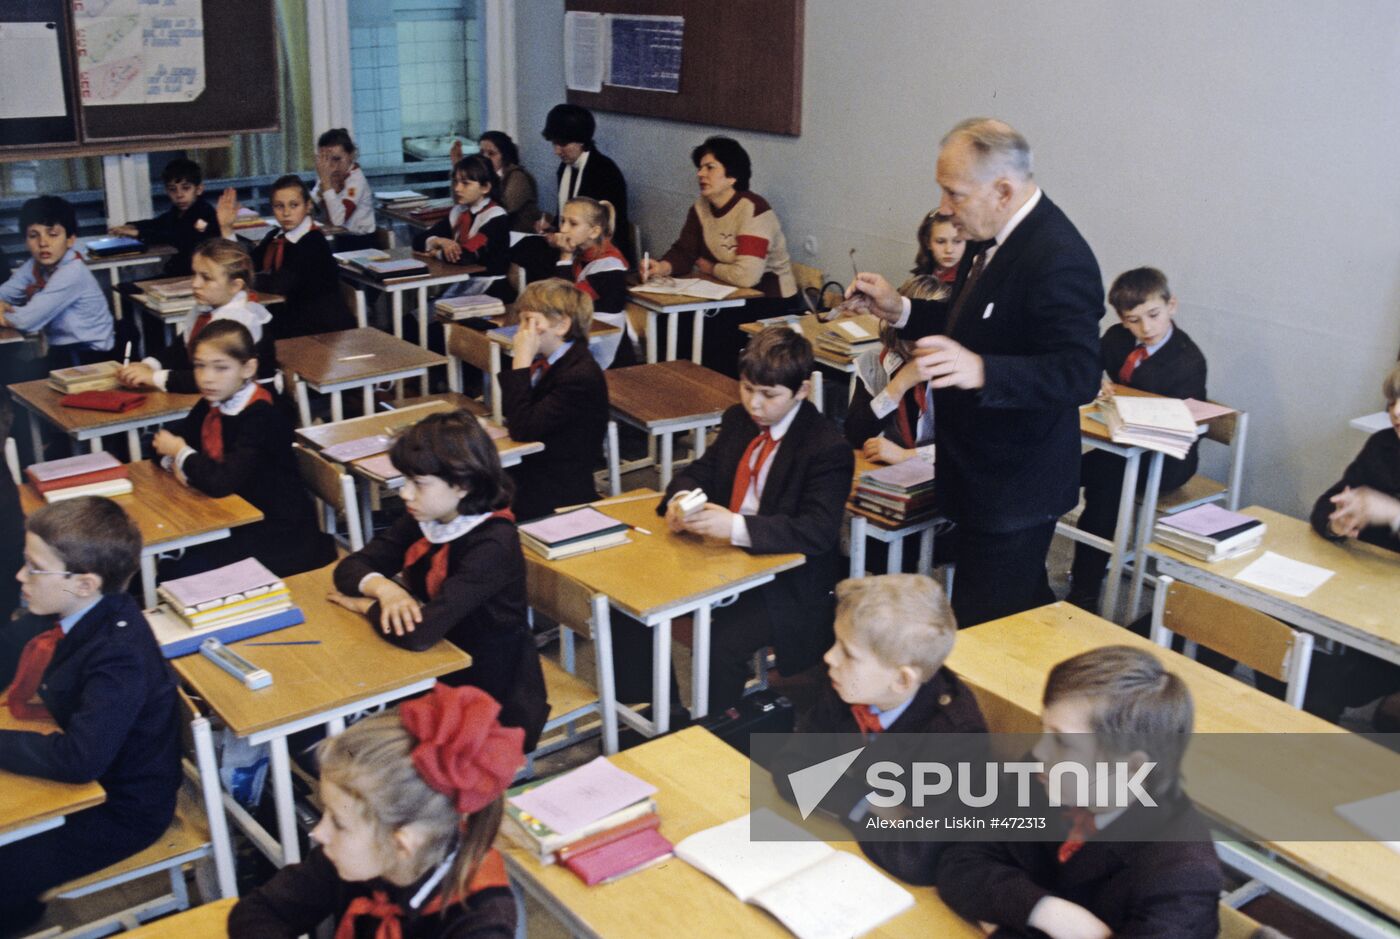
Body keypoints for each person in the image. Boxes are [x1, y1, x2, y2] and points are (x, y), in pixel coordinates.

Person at [845, 118, 1102, 628]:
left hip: (1015, 484)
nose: (944, 207)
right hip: (975, 472)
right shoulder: (992, 236)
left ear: (1002, 190)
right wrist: (900, 309)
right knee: (1014, 613)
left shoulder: (1058, 256)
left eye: (954, 193)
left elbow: (1078, 374)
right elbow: (968, 321)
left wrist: (982, 370)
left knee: (985, 631)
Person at [611, 327, 853, 712]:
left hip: (786, 583)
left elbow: (817, 531)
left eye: (769, 395)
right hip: (724, 560)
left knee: (718, 644)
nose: (754, 404)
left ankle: (716, 727)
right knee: (627, 597)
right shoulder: (739, 419)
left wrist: (736, 528)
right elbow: (701, 472)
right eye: (747, 388)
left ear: (802, 390)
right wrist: (683, 500)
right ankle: (656, 712)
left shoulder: (826, 447)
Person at [936, 645, 1223, 938]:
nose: (1040, 751)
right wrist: (1044, 910)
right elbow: (960, 861)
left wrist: (1002, 926)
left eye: (1063, 742)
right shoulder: (1043, 775)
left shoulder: (1182, 877)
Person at [0, 498, 180, 933]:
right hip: (94, 781)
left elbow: (80, 760)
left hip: (121, 809)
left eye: (35, 568)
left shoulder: (119, 657)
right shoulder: (77, 610)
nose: (21, 576)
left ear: (84, 584)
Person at [228, 684, 523, 938]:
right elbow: (259, 911)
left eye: (338, 822)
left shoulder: (480, 923)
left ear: (401, 844)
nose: (319, 832)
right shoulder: (353, 851)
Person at [330, 412, 548, 750]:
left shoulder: (493, 544)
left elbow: (419, 633)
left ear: (463, 485)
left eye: (418, 484)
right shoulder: (428, 517)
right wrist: (385, 589)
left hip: (489, 691)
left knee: (370, 743)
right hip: (437, 662)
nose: (405, 494)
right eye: (405, 480)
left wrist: (365, 605)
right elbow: (350, 568)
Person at [769, 574, 986, 881]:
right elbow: (790, 769)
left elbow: (915, 857)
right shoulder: (850, 684)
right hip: (850, 855)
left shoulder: (955, 737)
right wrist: (868, 803)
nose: (829, 657)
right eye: (835, 642)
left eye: (848, 652)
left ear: (902, 680)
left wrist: (837, 795)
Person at [1067, 267, 1208, 610]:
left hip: (1167, 458)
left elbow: (1179, 422)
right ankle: (1060, 569)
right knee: (1058, 469)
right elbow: (1088, 362)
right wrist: (1096, 379)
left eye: (1153, 315)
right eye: (1133, 320)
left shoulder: (1187, 360)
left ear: (1171, 305)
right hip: (1119, 448)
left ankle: (1085, 588)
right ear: (1121, 319)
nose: (1146, 328)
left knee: (1105, 492)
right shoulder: (1117, 338)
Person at [151, 320, 335, 578]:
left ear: (248, 368)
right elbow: (160, 446)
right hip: (230, 516)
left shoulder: (262, 417)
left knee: (176, 571)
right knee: (161, 562)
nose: (207, 377)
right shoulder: (211, 404)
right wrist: (175, 462)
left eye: (221, 368)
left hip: (277, 533)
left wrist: (181, 452)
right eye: (199, 366)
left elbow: (220, 481)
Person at [646, 136, 798, 376]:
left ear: (732, 176)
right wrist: (661, 267)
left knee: (713, 335)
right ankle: (676, 385)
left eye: (710, 167)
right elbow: (685, 251)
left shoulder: (753, 209)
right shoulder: (701, 207)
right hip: (727, 294)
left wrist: (711, 268)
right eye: (700, 168)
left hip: (768, 300)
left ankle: (707, 391)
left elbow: (747, 276)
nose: (700, 174)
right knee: (669, 323)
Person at [1304, 362, 1400, 727]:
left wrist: (1393, 513)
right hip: (1361, 595)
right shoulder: (1383, 445)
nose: (1396, 412)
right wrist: (1336, 523)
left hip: (1389, 618)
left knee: (1316, 681)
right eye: (1393, 400)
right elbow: (1326, 505)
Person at [496, 279, 609, 521]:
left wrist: (520, 362)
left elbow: (522, 428)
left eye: (529, 321)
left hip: (556, 489)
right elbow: (520, 412)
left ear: (562, 325)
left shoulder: (579, 375)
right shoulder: (549, 362)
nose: (520, 331)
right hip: (535, 468)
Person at [116, 238, 276, 394]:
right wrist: (149, 365)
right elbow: (179, 350)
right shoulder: (205, 309)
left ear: (235, 285)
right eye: (194, 274)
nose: (195, 284)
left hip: (249, 401)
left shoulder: (241, 322)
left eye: (206, 278)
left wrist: (154, 378)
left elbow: (209, 377)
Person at [217, 176, 354, 339]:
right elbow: (247, 266)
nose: (286, 213)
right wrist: (226, 229)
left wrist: (242, 278)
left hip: (323, 328)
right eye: (279, 206)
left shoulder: (313, 242)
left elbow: (278, 284)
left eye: (294, 205)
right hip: (291, 318)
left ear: (308, 206)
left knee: (243, 335)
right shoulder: (276, 236)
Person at [0, 195, 113, 369]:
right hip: (64, 352)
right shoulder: (35, 265)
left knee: (10, 372)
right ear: (25, 241)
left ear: (70, 239)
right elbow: (5, 292)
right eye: (33, 236)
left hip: (90, 357)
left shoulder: (72, 272)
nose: (43, 243)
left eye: (52, 235)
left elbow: (25, 320)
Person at [416, 153, 514, 303]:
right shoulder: (459, 212)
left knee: (429, 315)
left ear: (485, 187)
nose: (457, 188)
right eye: (455, 182)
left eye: (465, 183)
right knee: (414, 315)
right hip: (465, 282)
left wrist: (436, 253)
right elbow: (418, 241)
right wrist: (440, 241)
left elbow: (467, 256)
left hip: (490, 289)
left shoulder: (496, 218)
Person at [539, 104, 632, 261]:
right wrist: (551, 228)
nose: (557, 151)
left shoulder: (604, 171)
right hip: (576, 244)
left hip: (600, 251)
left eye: (563, 144)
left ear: (581, 141)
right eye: (554, 143)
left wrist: (560, 238)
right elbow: (566, 214)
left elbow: (601, 229)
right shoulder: (565, 167)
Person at [551, 195, 636, 368]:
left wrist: (565, 257)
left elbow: (567, 302)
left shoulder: (609, 266)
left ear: (594, 232)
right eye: (563, 221)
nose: (563, 229)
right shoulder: (581, 254)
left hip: (606, 346)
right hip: (584, 330)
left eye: (573, 223)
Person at [109, 157, 219, 276]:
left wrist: (138, 233)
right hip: (179, 269)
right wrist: (131, 226)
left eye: (186, 188)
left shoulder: (204, 213)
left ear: (199, 189)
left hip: (198, 274)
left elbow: (179, 236)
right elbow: (158, 223)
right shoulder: (177, 211)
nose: (179, 195)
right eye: (172, 189)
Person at [311, 128, 377, 242]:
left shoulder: (357, 180)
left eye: (337, 159)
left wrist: (326, 183)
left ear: (351, 155)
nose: (331, 166)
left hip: (360, 240)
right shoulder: (328, 173)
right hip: (339, 237)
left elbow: (338, 220)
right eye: (325, 160)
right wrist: (320, 192)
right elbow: (309, 207)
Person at [475, 131, 541, 233]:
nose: (485, 158)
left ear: (505, 156)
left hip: (519, 235)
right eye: (481, 153)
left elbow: (503, 209)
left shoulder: (517, 176)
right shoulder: (484, 176)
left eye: (491, 153)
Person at [902, 209, 967, 298]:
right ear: (927, 242)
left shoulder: (969, 280)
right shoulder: (923, 274)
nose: (949, 250)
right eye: (940, 241)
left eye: (957, 241)